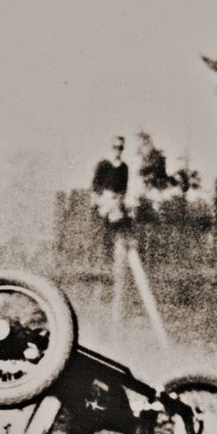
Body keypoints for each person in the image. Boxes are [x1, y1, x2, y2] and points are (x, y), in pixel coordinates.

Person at [91, 136, 135, 323]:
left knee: (120, 221)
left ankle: (119, 248)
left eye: (121, 147)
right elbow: (95, 185)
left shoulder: (123, 167)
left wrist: (117, 200)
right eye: (115, 147)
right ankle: (103, 256)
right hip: (104, 200)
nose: (118, 150)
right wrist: (103, 200)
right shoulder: (103, 164)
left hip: (116, 201)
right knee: (104, 226)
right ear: (111, 147)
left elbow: (123, 188)